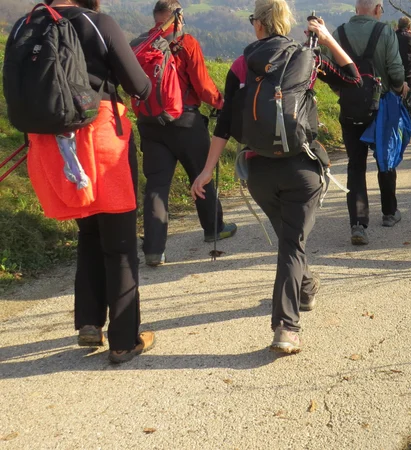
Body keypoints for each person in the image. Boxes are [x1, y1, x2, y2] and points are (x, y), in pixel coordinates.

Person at [191, 0, 361, 353]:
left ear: (258, 25)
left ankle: (306, 288)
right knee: (292, 243)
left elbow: (224, 124)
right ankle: (285, 327)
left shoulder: (240, 65)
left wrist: (206, 171)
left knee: (290, 240)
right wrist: (327, 38)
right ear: (285, 22)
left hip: (259, 173)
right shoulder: (306, 57)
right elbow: (353, 80)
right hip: (302, 169)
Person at [9, 0, 155, 363]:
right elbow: (139, 84)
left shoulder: (24, 26)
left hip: (54, 146)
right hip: (101, 140)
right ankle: (124, 341)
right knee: (119, 244)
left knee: (89, 232)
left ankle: (90, 322)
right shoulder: (98, 23)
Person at [138, 0, 237, 267]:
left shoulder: (143, 44)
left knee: (157, 186)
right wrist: (221, 103)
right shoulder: (185, 42)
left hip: (150, 123)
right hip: (185, 121)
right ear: (177, 18)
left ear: (157, 18)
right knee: (201, 175)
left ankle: (154, 250)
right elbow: (203, 85)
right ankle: (214, 229)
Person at [331, 0, 409, 246]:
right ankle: (389, 212)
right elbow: (396, 70)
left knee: (356, 165)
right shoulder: (385, 31)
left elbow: (327, 69)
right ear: (377, 9)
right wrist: (400, 87)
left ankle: (358, 224)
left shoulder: (338, 33)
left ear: (356, 9)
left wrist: (343, 92)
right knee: (385, 157)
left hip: (350, 107)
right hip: (381, 106)